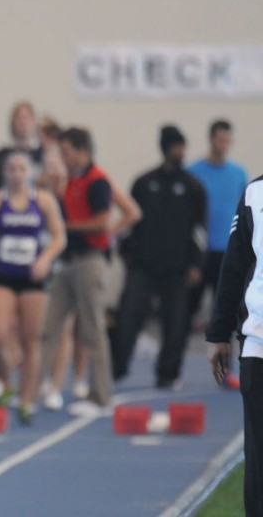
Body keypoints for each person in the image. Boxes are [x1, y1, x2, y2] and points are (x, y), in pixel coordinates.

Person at [0, 151, 65, 423]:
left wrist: (46, 258)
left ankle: (26, 400)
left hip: (32, 278)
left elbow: (60, 237)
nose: (16, 173)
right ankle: (8, 381)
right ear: (4, 173)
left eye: (22, 169)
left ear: (31, 173)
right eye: (11, 168)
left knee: (31, 340)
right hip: (2, 275)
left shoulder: (43, 201)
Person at [111, 126, 206, 389]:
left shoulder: (192, 188)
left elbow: (199, 231)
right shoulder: (144, 184)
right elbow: (130, 225)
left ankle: (167, 373)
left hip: (177, 270)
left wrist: (196, 263)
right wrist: (127, 254)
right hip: (143, 267)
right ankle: (118, 367)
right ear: (166, 148)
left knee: (175, 326)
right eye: (177, 147)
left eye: (183, 147)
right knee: (128, 318)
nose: (181, 152)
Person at [37, 127, 117, 416]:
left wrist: (64, 228)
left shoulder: (97, 182)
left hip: (90, 261)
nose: (63, 157)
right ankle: (31, 389)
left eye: (66, 152)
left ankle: (100, 394)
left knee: (92, 329)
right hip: (67, 262)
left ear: (83, 151)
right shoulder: (71, 181)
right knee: (49, 328)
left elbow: (101, 222)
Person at [206, 173, 263, 517]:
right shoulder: (255, 194)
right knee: (257, 462)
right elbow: (235, 263)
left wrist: (218, 333)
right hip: (259, 345)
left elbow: (234, 265)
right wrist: (218, 331)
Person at [188, 120, 248, 347]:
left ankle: (225, 368)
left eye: (228, 140)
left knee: (227, 311)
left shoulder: (238, 173)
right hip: (200, 252)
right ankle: (175, 367)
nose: (224, 145)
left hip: (227, 251)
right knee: (187, 309)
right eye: (220, 140)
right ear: (211, 139)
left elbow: (246, 211)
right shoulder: (194, 173)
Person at [0, 101, 46, 192]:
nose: (23, 122)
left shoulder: (45, 154)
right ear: (12, 122)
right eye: (19, 118)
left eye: (27, 118)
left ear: (34, 122)